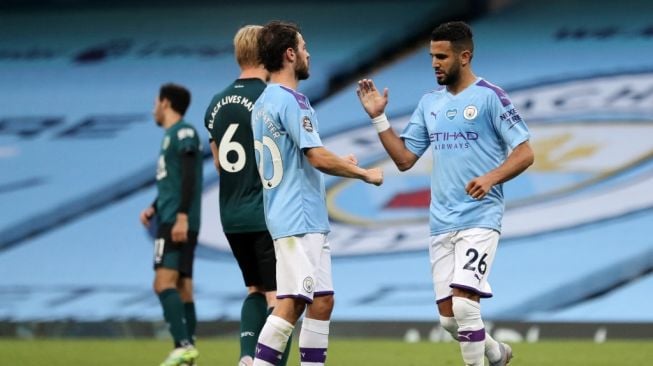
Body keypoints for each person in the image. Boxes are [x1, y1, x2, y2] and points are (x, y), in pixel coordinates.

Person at [356, 21, 534, 366]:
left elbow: (525, 152)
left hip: (479, 218)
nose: (435, 63)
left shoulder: (490, 97)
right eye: (432, 56)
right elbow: (405, 159)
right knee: (450, 320)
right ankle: (496, 354)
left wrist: (491, 178)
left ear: (464, 56)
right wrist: (379, 119)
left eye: (442, 56)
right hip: (441, 222)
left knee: (467, 304)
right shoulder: (429, 104)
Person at [251, 21, 384, 366]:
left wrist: (341, 161)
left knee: (322, 300)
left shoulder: (264, 102)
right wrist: (362, 173)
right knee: (292, 301)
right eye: (304, 47)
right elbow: (316, 156)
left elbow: (301, 158)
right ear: (290, 54)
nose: (309, 54)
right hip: (298, 219)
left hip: (302, 216)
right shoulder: (293, 101)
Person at [203, 25, 290, 366]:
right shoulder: (269, 97)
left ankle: (245, 358)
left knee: (254, 289)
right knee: (281, 297)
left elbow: (219, 162)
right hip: (264, 212)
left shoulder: (215, 103)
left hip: (231, 213)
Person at [140, 83, 203, 366]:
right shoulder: (172, 136)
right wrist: (154, 206)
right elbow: (174, 180)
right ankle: (188, 354)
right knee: (183, 286)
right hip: (171, 215)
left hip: (176, 221)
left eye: (156, 102)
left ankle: (182, 344)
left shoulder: (183, 132)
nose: (153, 107)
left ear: (165, 103)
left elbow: (190, 175)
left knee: (162, 282)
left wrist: (180, 216)